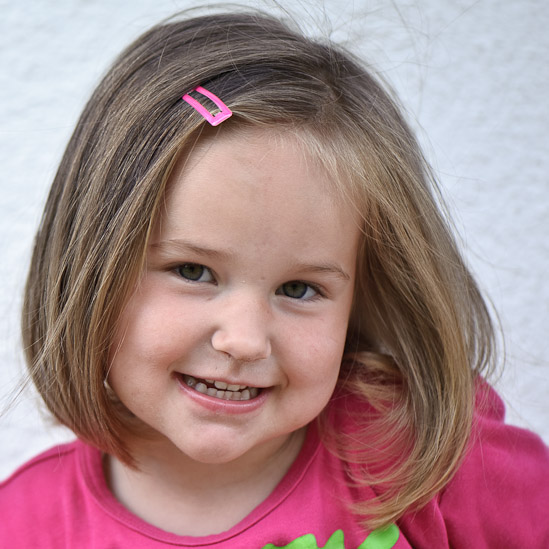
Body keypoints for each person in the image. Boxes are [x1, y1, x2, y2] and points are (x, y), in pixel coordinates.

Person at [1, 8, 547, 548]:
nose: (243, 341)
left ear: (361, 296)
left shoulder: (430, 461)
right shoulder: (24, 526)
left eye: (299, 289)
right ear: (91, 269)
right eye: (193, 271)